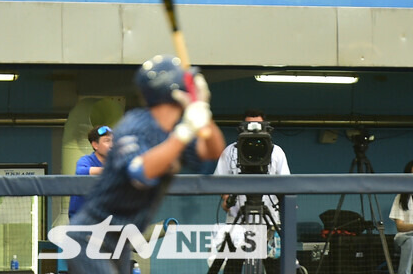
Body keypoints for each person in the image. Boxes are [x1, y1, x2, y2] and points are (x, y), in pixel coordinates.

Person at [67, 55, 224, 273]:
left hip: (121, 239)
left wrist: (204, 112)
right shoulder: (134, 125)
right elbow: (140, 172)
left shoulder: (176, 130)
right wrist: (185, 131)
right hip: (91, 235)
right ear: (171, 89)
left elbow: (212, 154)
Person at [213, 109, 290, 274]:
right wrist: (226, 199)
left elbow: (286, 183)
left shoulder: (276, 151)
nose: (254, 130)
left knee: (272, 264)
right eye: (249, 125)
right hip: (238, 218)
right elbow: (219, 180)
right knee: (233, 263)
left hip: (268, 219)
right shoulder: (230, 151)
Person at [68, 125, 114, 220]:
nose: (112, 145)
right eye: (107, 141)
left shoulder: (116, 162)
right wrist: (108, 171)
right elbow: (80, 171)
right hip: (82, 220)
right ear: (95, 145)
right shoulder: (86, 160)